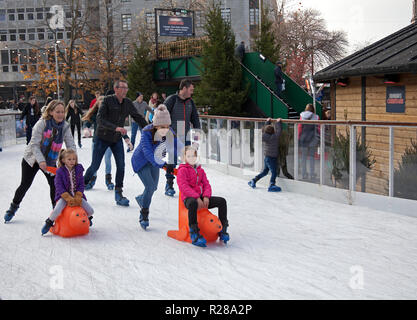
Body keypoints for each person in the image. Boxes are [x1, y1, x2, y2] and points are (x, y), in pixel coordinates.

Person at [4, 100, 76, 223]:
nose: (60, 114)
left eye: (62, 112)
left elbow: (71, 145)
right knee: (25, 184)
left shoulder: (65, 126)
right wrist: (41, 161)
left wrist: (73, 160)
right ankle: (13, 207)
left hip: (50, 160)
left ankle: (56, 212)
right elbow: (34, 145)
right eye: (57, 111)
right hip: (32, 158)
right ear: (51, 112)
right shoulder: (42, 124)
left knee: (55, 185)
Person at [83, 80, 146, 206]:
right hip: (102, 137)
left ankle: (119, 193)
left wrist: (150, 129)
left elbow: (137, 117)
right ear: (116, 89)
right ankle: (80, 187)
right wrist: (115, 128)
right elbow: (100, 119)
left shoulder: (127, 102)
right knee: (95, 166)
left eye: (127, 88)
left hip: (116, 139)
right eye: (123, 88)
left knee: (121, 165)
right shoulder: (107, 101)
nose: (125, 90)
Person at [131, 105, 183, 230]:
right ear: (155, 125)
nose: (165, 129)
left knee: (153, 188)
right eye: (162, 127)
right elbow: (147, 152)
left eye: (167, 126)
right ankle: (144, 213)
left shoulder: (169, 132)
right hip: (141, 162)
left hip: (156, 162)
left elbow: (178, 146)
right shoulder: (146, 132)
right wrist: (164, 164)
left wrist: (188, 158)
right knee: (150, 186)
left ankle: (141, 199)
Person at [177, 146, 229, 247]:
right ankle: (194, 232)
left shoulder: (200, 170)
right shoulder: (182, 170)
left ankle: (223, 229)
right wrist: (196, 197)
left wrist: (206, 196)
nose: (191, 158)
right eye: (189, 156)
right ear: (184, 158)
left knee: (222, 201)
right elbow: (183, 187)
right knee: (192, 204)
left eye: (193, 156)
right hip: (189, 198)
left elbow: (206, 184)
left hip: (202, 198)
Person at [41, 149, 94, 235]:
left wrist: (78, 195)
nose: (72, 161)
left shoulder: (78, 169)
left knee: (91, 210)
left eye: (74, 159)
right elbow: (58, 185)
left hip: (77, 196)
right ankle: (49, 222)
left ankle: (87, 219)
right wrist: (66, 196)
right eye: (69, 159)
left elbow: (81, 184)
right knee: (57, 210)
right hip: (63, 196)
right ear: (63, 160)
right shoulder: (60, 171)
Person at [163, 79, 201, 197]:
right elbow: (161, 116)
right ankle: (169, 184)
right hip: (172, 136)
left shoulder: (190, 102)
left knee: (189, 161)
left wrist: (197, 138)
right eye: (191, 90)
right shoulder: (171, 100)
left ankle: (188, 186)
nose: (192, 92)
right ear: (184, 88)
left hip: (186, 135)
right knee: (172, 160)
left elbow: (195, 120)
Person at [81, 96, 120, 191]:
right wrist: (86, 128)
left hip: (109, 141)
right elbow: (87, 121)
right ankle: (91, 180)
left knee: (107, 160)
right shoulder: (95, 114)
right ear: (97, 103)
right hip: (97, 141)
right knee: (95, 163)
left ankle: (108, 180)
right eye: (100, 101)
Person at [248, 118, 283, 192]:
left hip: (267, 157)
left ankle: (253, 180)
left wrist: (267, 122)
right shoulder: (274, 137)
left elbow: (264, 130)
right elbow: (279, 131)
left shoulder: (264, 136)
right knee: (274, 172)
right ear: (273, 131)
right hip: (272, 158)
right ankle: (272, 184)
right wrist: (278, 122)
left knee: (265, 172)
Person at [298, 104, 320, 180]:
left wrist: (299, 137)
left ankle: (304, 174)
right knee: (312, 157)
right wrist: (318, 138)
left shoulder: (302, 116)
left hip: (303, 139)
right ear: (313, 110)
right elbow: (318, 128)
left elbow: (300, 128)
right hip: (312, 139)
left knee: (303, 157)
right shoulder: (316, 117)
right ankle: (312, 174)